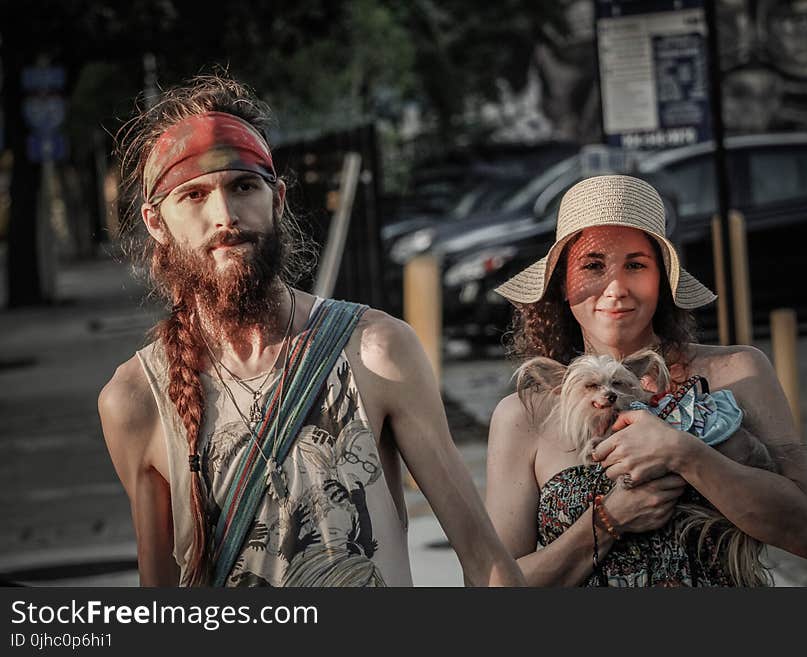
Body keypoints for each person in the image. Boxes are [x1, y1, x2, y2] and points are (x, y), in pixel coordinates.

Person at [98, 75, 525, 588]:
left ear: (277, 199)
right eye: (193, 195)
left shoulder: (375, 351)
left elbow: (488, 564)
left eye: (243, 186)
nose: (225, 216)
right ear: (155, 222)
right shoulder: (135, 399)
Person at [485, 174, 807, 586]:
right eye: (593, 265)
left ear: (663, 280)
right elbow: (493, 585)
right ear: (561, 283)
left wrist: (686, 454)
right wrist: (608, 520)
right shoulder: (524, 414)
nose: (616, 288)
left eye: (635, 265)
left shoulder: (739, 372)